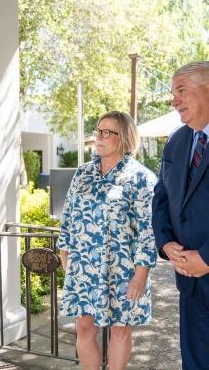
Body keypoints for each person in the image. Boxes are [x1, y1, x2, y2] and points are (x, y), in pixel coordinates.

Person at [58, 111, 157, 370]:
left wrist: (141, 274)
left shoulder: (141, 178)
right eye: (97, 131)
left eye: (106, 132)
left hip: (123, 269)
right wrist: (65, 253)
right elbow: (68, 216)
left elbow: (148, 231)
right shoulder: (83, 174)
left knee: (120, 330)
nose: (98, 137)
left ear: (123, 137)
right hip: (83, 265)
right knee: (83, 327)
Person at [152, 61, 209, 370]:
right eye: (173, 93)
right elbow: (161, 196)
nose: (174, 101)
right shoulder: (177, 140)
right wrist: (166, 242)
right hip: (189, 281)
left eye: (182, 91)